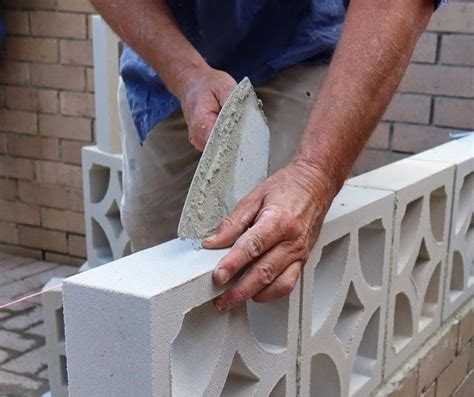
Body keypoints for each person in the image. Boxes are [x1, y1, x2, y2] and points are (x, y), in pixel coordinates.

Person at [91, 0, 444, 311]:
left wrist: (314, 174)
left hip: (293, 48)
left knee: (274, 261)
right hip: (166, 52)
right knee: (156, 257)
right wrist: (186, 76)